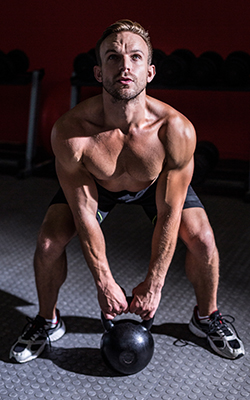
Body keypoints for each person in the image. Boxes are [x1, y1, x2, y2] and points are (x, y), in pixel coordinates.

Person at [10, 19, 244, 363]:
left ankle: (206, 317)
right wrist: (104, 281)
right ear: (98, 72)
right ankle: (48, 320)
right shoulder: (72, 133)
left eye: (135, 57)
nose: (124, 66)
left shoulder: (175, 131)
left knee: (203, 240)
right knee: (48, 242)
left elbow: (169, 212)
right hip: (96, 185)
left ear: (149, 72)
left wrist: (154, 283)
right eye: (113, 58)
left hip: (155, 187)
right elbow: (84, 213)